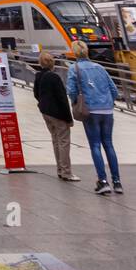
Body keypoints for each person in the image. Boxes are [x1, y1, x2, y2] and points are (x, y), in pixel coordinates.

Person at [67, 41, 122, 195]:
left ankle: (103, 181)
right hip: (107, 111)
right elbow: (114, 90)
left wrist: (76, 103)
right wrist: (107, 102)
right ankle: (117, 182)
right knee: (109, 145)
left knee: (95, 145)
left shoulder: (74, 69)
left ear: (75, 53)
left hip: (90, 111)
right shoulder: (100, 68)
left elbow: (71, 91)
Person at [33, 50, 79, 181]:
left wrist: (43, 104)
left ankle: (59, 169)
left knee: (55, 140)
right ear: (52, 63)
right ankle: (66, 172)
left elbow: (36, 94)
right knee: (64, 142)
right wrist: (69, 119)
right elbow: (62, 99)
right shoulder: (55, 77)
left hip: (45, 113)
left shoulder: (38, 76)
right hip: (58, 114)